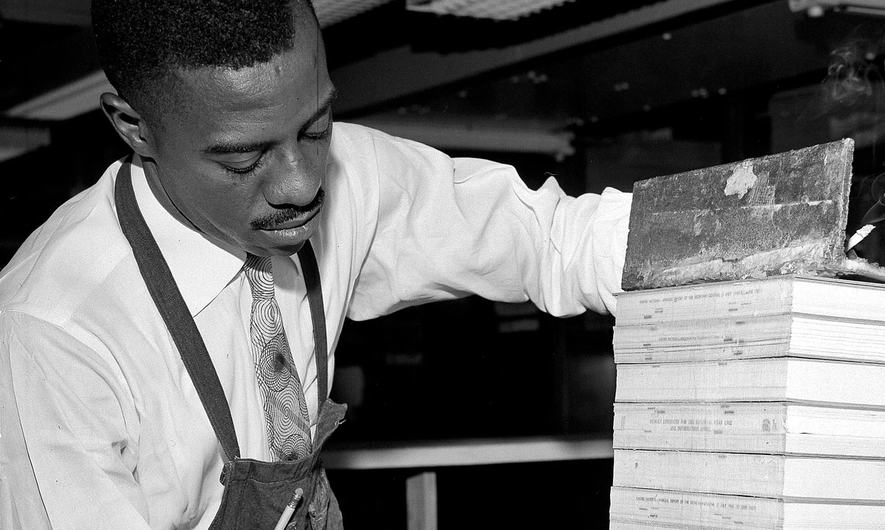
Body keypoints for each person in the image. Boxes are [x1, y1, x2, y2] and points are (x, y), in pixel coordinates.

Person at [0, 0, 630, 527]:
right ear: (135, 127)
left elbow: (549, 238)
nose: (302, 184)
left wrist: (701, 241)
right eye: (243, 161)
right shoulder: (55, 328)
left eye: (317, 127)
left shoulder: (351, 177)